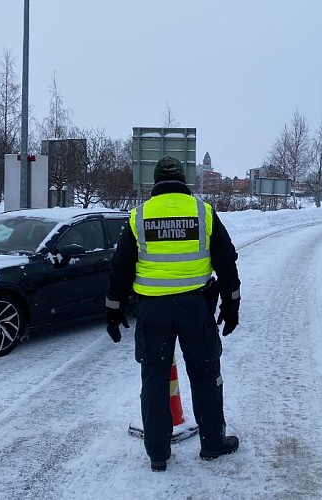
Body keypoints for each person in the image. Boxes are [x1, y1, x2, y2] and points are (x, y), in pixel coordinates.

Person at [105, 155, 241, 472]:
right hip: (195, 307)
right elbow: (226, 262)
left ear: (155, 182)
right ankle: (212, 443)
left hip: (152, 311)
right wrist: (231, 304)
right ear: (184, 180)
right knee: (206, 374)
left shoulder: (139, 216)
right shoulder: (203, 212)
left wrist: (113, 309)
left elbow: (120, 268)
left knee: (154, 378)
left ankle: (157, 453)